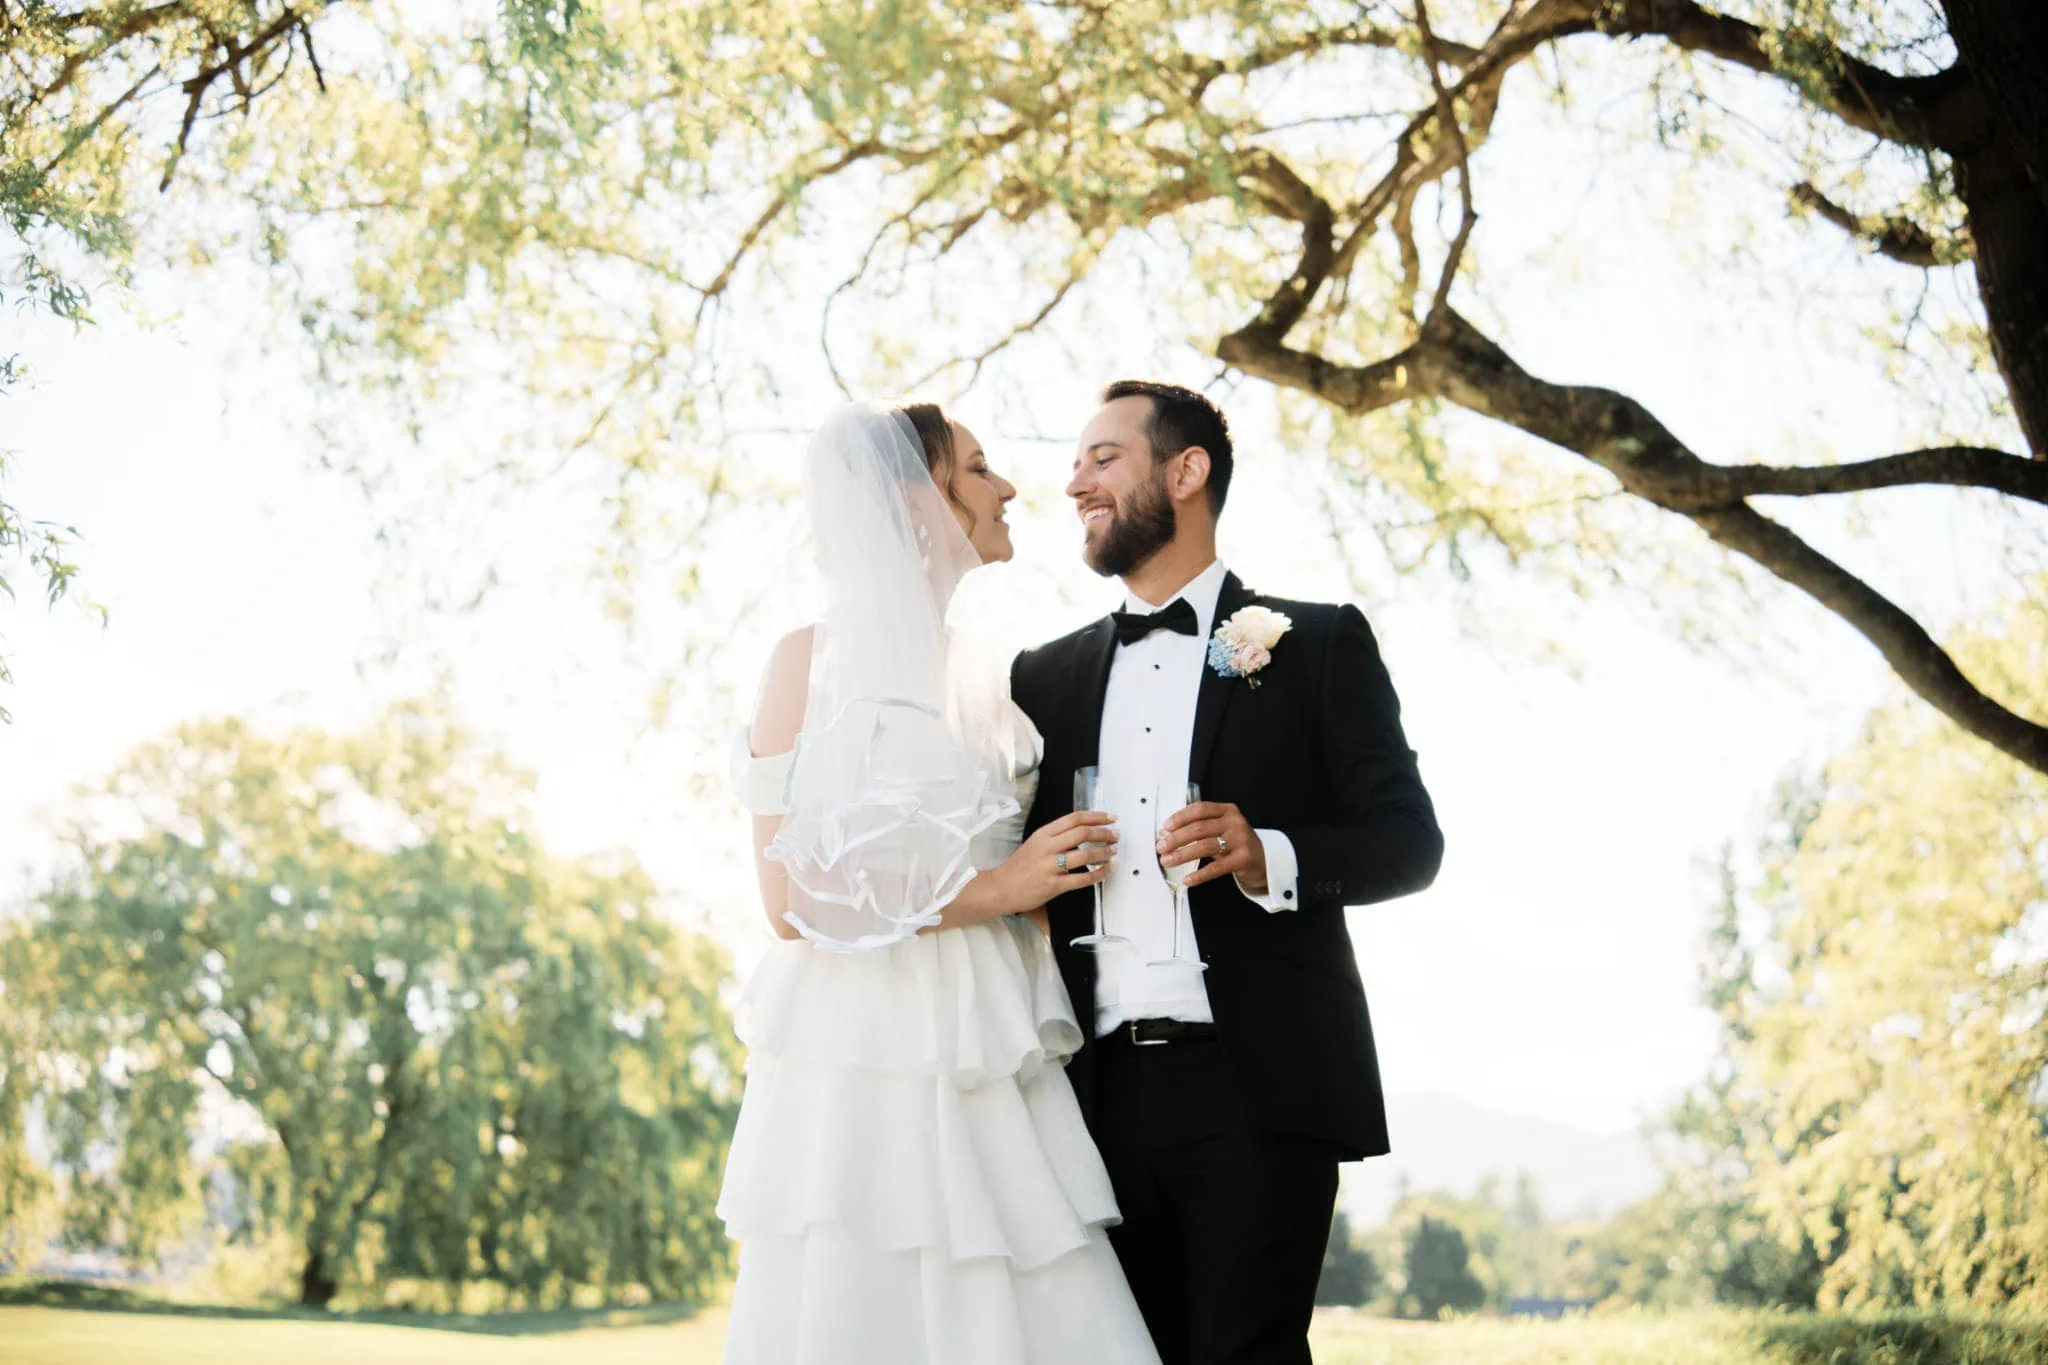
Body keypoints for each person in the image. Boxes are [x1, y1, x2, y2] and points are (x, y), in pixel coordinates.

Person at [719, 401, 1163, 1364]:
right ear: (915, 499)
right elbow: (791, 899)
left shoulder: (995, 678)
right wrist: (1001, 887)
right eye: (978, 467)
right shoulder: (806, 662)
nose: (1007, 488)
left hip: (991, 1045)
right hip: (866, 1050)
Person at [1011, 380, 1444, 1365]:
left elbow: (1407, 842)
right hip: (1091, 1097)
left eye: (1101, 458)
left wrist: (1268, 854)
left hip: (1259, 1087)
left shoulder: (1318, 642)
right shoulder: (1038, 677)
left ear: (1185, 470)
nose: (1072, 482)